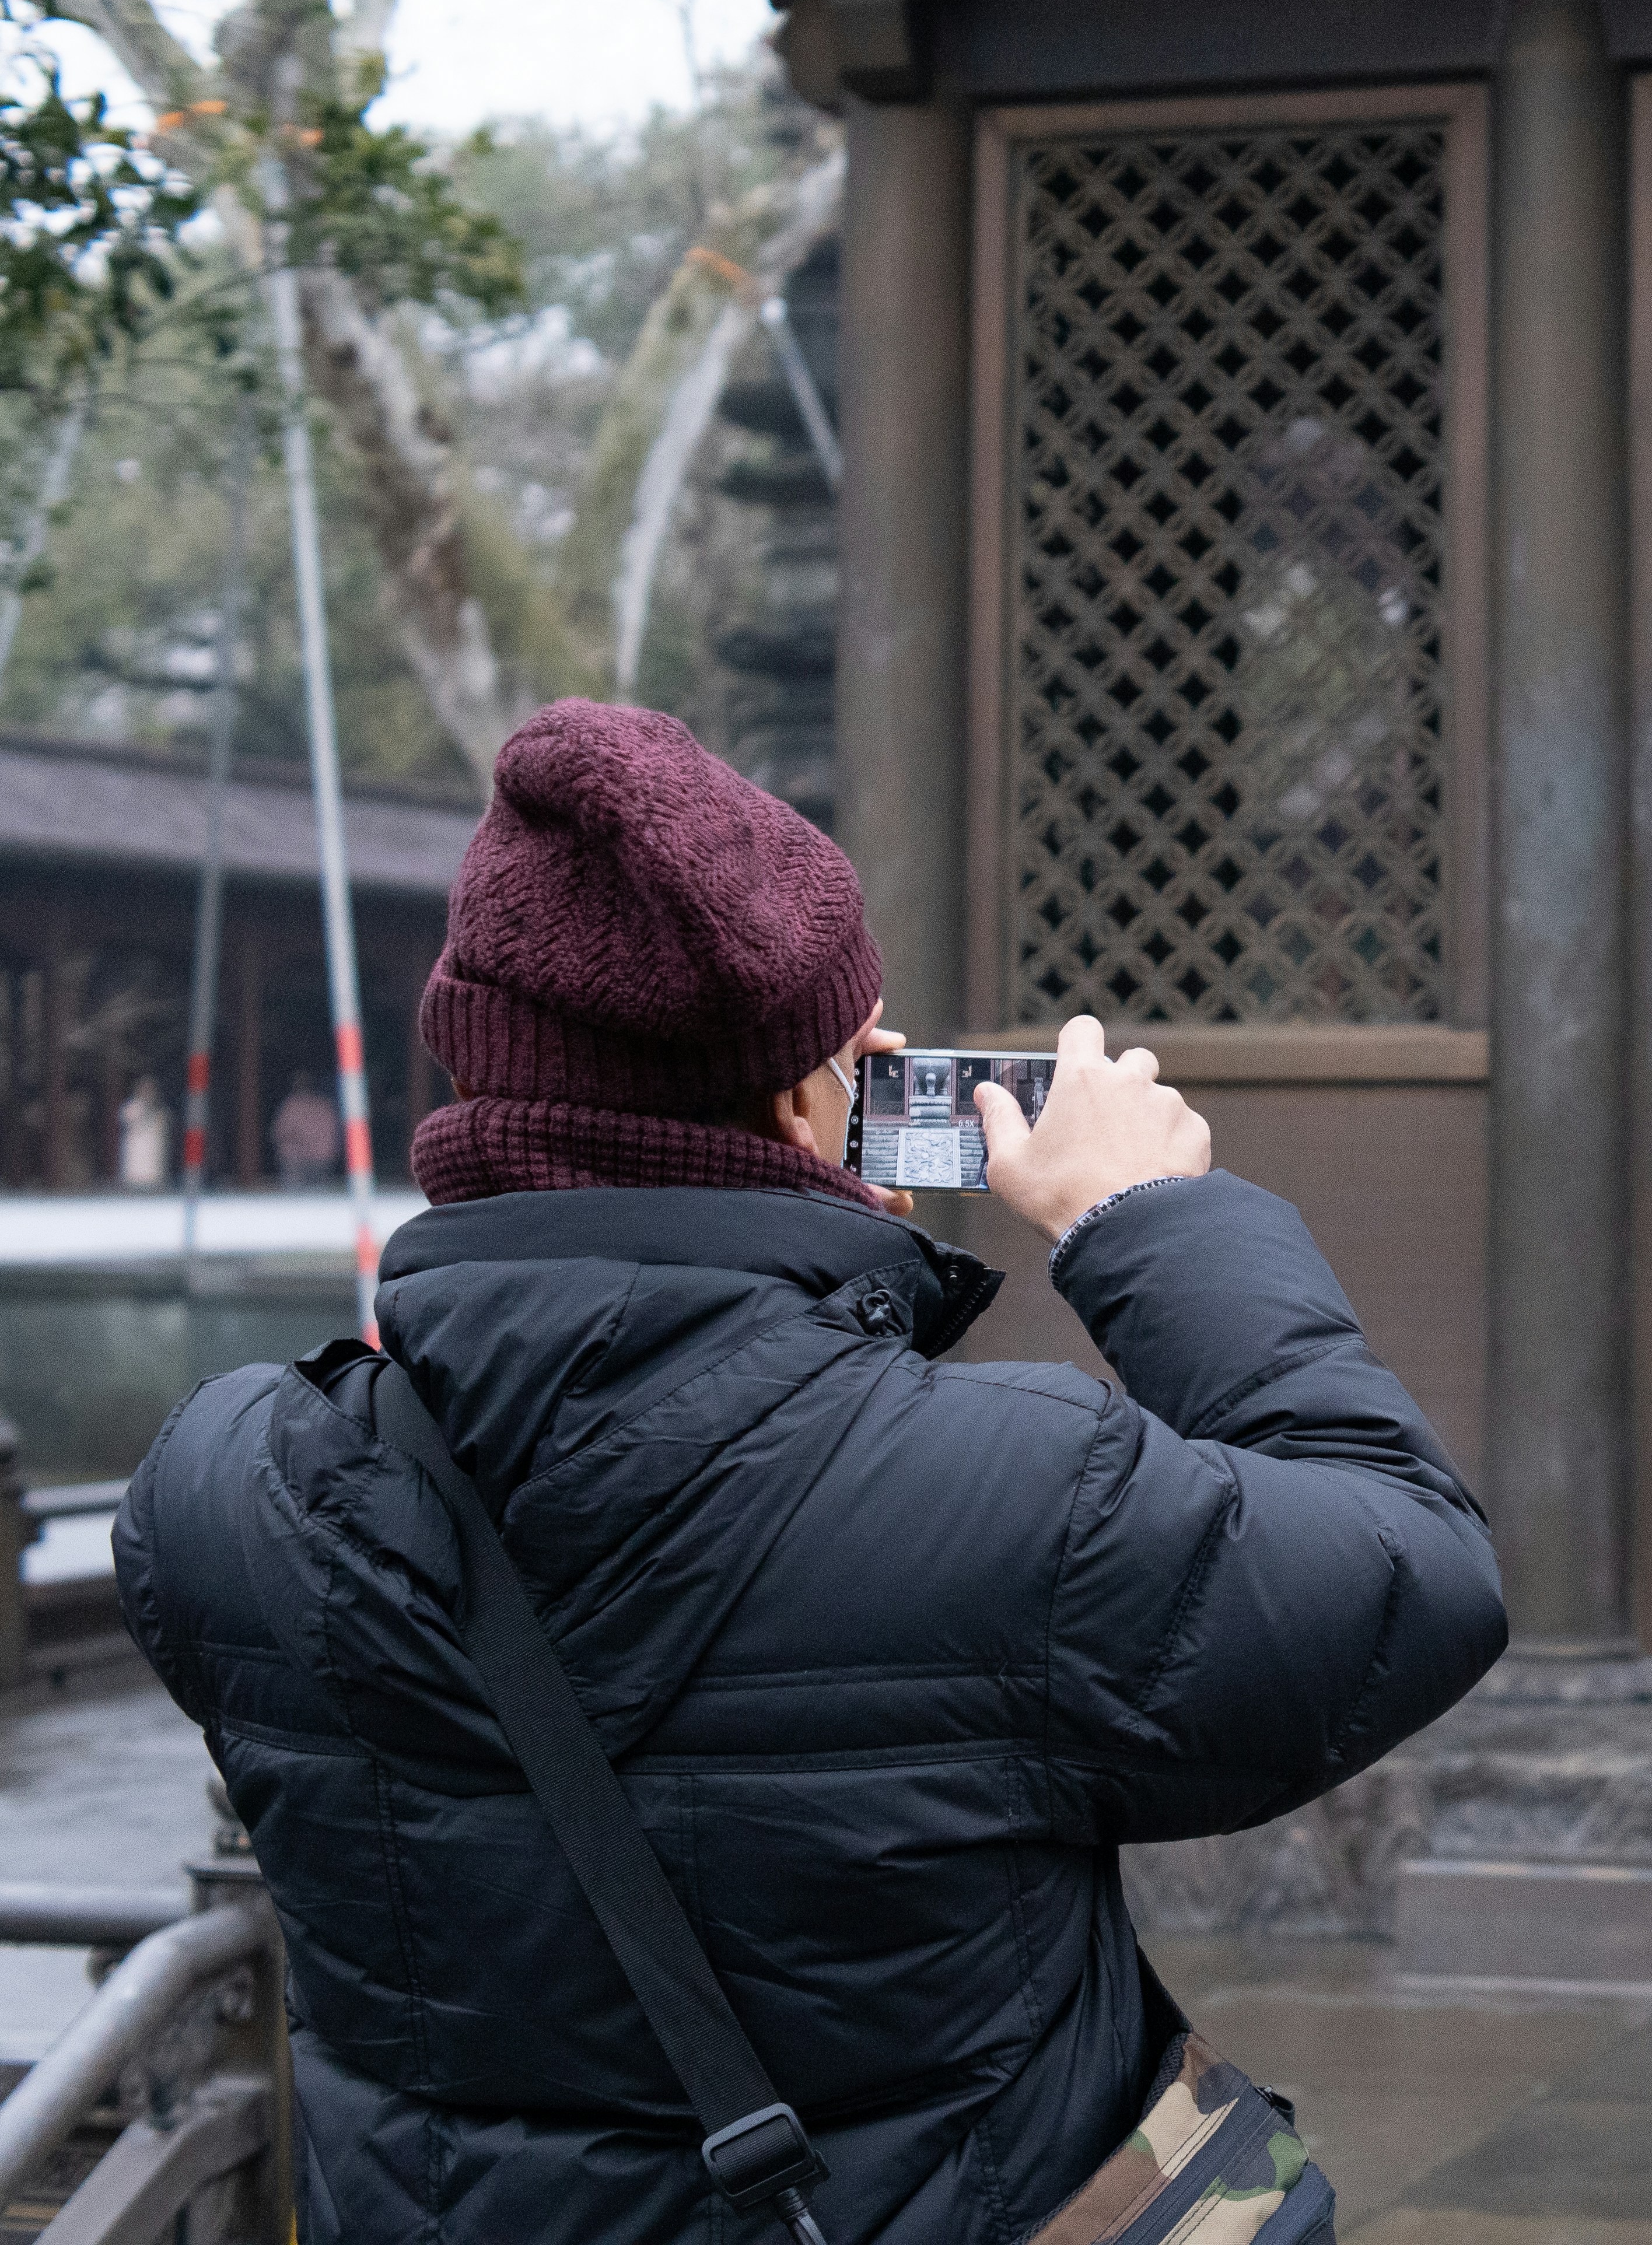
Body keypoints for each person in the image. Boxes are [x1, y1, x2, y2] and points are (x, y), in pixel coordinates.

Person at [115, 701, 1505, 2244]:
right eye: (858, 1056)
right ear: (801, 1104)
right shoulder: (1014, 1500)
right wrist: (1145, 1223)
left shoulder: (221, 1494)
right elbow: (1417, 1569)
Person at [270, 1073, 339, 1186]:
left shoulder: (293, 1105)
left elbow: (279, 1133)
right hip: (309, 1160)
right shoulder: (324, 1105)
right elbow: (280, 1134)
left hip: (309, 1161)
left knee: (301, 1190)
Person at [114, 1076, 169, 1190]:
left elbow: (163, 1127)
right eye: (145, 1089)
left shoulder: (161, 1112)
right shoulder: (131, 1108)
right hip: (134, 1167)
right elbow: (130, 1120)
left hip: (155, 1168)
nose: (149, 1092)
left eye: (151, 1089)